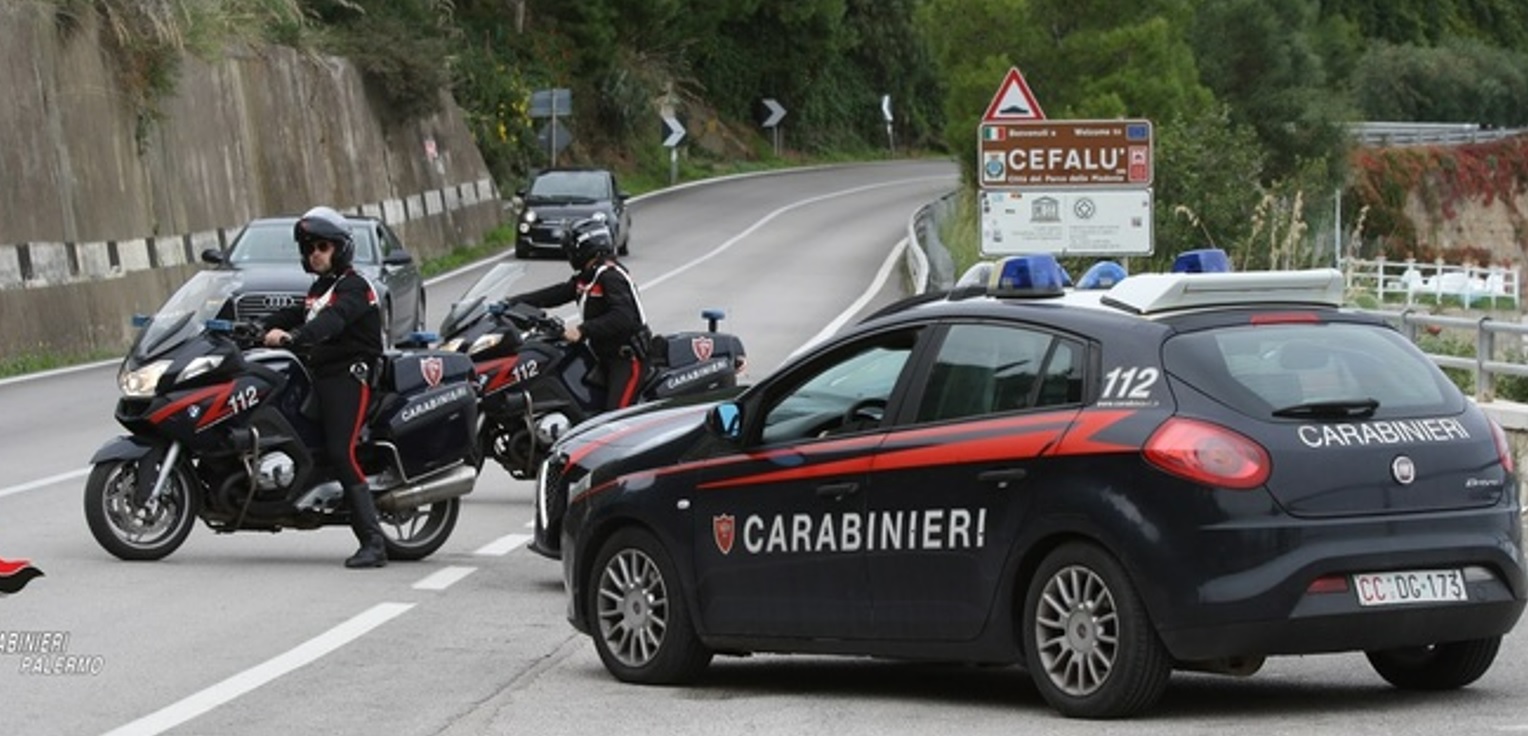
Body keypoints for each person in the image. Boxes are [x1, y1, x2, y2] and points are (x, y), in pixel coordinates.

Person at [260, 206, 389, 569]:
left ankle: (373, 542)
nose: (314, 253)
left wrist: (295, 337)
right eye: (310, 247)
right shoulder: (319, 288)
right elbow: (295, 313)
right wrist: (252, 327)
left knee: (340, 450)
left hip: (350, 376)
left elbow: (333, 321)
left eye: (323, 246)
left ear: (340, 249)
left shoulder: (356, 286)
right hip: (320, 375)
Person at [504, 217, 649, 410]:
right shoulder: (588, 276)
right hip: (601, 354)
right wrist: (511, 302)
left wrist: (582, 330)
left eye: (572, 247)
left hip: (626, 359)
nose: (570, 253)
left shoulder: (611, 275)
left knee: (615, 419)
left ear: (585, 246)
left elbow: (623, 316)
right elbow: (557, 293)